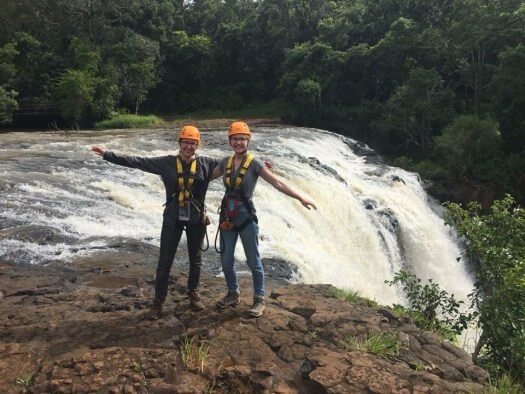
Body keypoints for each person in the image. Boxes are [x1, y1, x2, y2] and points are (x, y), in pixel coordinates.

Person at [91, 126, 219, 318]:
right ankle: (158, 302)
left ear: (197, 145)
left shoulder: (206, 163)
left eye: (193, 143)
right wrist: (107, 155)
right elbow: (137, 161)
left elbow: (232, 165)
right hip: (172, 219)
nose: (189, 146)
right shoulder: (166, 163)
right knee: (164, 262)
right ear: (180, 143)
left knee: (196, 261)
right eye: (186, 142)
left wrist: (258, 167)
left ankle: (193, 294)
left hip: (196, 220)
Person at [213, 121, 317, 317]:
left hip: (246, 219)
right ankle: (233, 293)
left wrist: (301, 197)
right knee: (226, 260)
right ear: (229, 141)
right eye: (235, 139)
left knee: (253, 261)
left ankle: (259, 300)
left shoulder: (255, 164)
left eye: (242, 139)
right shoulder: (225, 162)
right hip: (227, 217)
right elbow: (206, 177)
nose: (238, 143)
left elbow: (277, 182)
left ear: (248, 141)